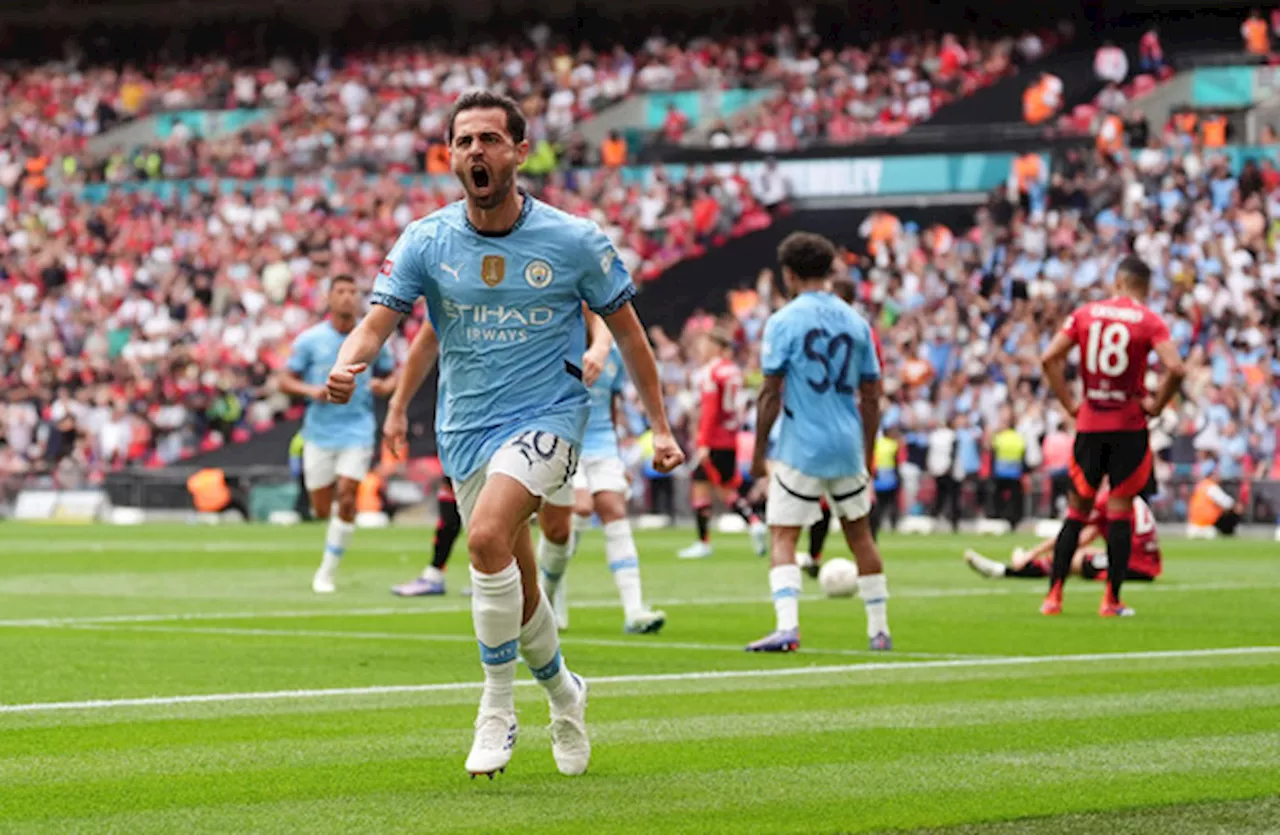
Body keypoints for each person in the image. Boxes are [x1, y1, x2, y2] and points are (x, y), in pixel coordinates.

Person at [324, 90, 683, 778]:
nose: (476, 152)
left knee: (484, 536)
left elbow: (633, 338)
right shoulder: (427, 240)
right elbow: (380, 322)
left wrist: (659, 426)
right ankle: (564, 691)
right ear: (450, 156)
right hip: (466, 428)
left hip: (550, 415)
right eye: (464, 142)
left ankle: (496, 705)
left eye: (490, 139)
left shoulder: (574, 240)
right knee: (517, 583)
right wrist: (351, 361)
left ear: (520, 151)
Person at [747, 231, 892, 653]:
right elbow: (871, 396)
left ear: (789, 275)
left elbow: (771, 392)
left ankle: (788, 628)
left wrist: (759, 454)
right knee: (860, 536)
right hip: (847, 445)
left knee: (783, 536)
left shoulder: (783, 321)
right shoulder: (856, 321)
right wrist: (867, 453)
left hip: (799, 448)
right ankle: (878, 631)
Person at [1039, 255, 1184, 617]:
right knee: (1120, 512)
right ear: (1145, 288)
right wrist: (1156, 405)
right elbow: (1176, 368)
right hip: (1128, 425)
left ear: (1117, 281)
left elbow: (1048, 358)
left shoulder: (1086, 314)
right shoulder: (1149, 320)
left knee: (1076, 512)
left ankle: (1053, 597)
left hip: (1089, 423)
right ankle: (1111, 600)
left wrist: (1070, 403)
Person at [278, 275, 398, 594]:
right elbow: (284, 380)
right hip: (318, 432)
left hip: (357, 428)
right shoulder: (309, 341)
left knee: (347, 496)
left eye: (352, 291)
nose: (346, 297)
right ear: (329, 299)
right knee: (321, 508)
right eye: (340, 291)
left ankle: (326, 573)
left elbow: (392, 374)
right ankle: (335, 527)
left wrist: (386, 387)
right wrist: (310, 390)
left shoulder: (370, 337)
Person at [542, 343, 667, 634]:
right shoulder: (559, 336)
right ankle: (548, 597)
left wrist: (618, 453)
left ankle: (634, 610)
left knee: (614, 509)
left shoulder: (614, 350)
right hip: (564, 438)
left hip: (602, 440)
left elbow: (612, 400)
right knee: (580, 510)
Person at [678, 328, 768, 559]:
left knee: (708, 488)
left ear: (717, 347)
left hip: (714, 439)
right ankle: (753, 522)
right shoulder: (734, 372)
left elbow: (709, 410)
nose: (701, 350)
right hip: (730, 438)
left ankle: (707, 541)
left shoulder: (712, 372)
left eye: (705, 345)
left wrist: (702, 442)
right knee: (720, 488)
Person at [965, 486, 1162, 583]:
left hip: (1132, 566)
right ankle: (1021, 564)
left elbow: (1075, 536)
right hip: (1148, 563)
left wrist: (1033, 552)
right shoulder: (1126, 494)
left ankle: (1008, 570)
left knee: (1071, 558)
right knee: (1086, 552)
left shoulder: (1105, 499)